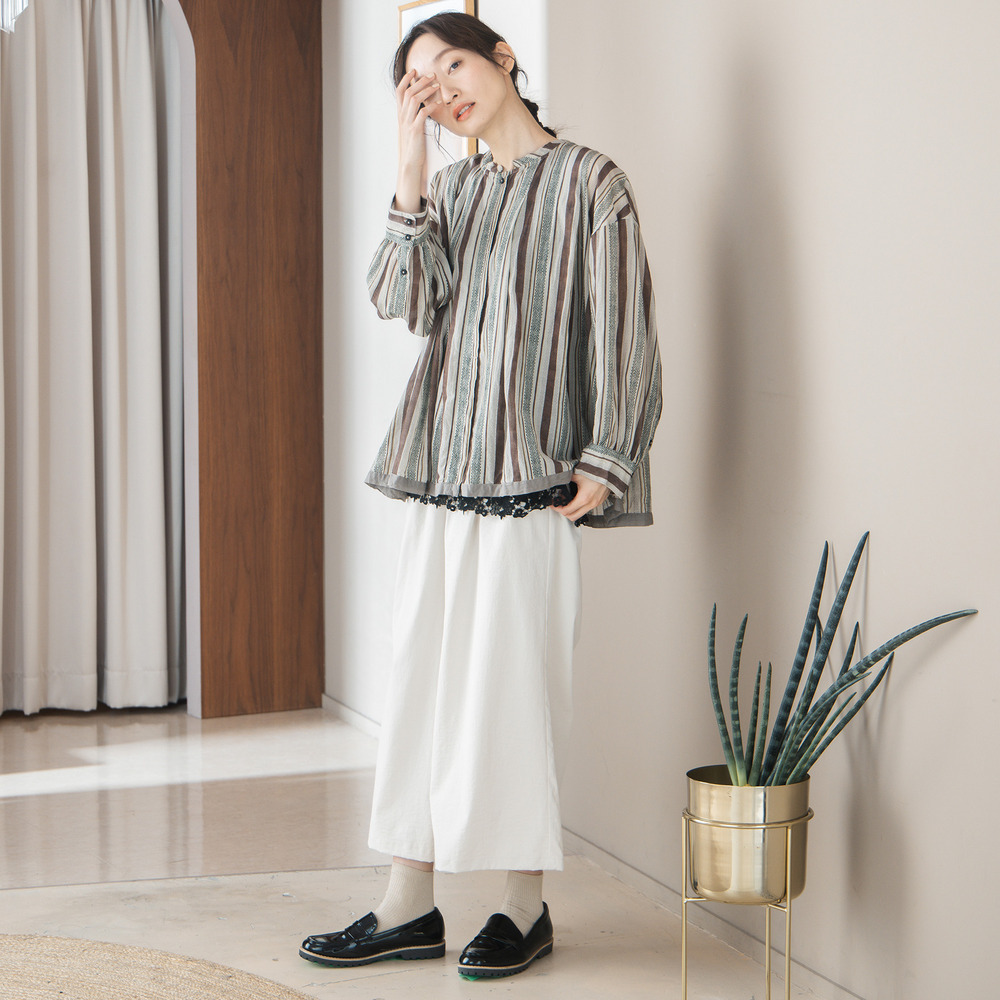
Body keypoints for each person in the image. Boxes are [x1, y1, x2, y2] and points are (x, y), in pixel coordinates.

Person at [299, 11, 662, 980]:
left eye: (452, 65)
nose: (443, 90)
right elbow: (403, 299)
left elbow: (625, 330)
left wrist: (609, 456)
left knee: (512, 700)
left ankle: (521, 906)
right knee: (419, 689)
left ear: (503, 57)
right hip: (441, 478)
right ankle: (407, 904)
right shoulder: (453, 190)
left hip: (531, 488)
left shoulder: (591, 182)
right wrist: (410, 166)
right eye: (421, 85)